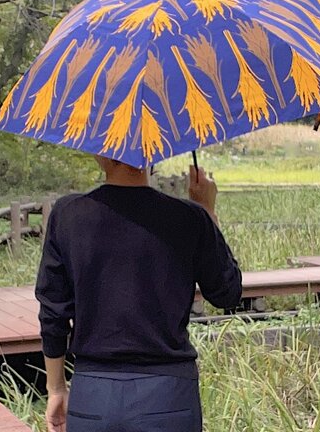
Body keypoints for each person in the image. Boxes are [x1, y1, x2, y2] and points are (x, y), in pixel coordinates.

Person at [35, 156, 243, 432]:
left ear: (99, 153)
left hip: (92, 394)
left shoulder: (68, 215)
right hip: (168, 395)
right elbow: (227, 294)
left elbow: (53, 313)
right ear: (154, 152)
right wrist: (207, 211)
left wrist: (57, 388)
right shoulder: (189, 217)